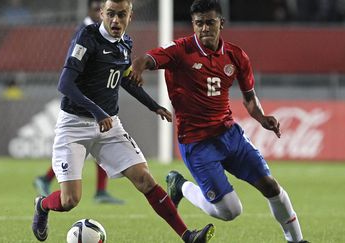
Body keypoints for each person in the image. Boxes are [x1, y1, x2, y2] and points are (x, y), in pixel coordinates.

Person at [31, 0, 215, 242]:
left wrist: (154, 106)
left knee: (145, 179)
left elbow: (125, 79)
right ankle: (42, 205)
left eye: (121, 15)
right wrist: (98, 112)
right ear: (101, 14)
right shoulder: (86, 37)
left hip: (109, 127)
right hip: (74, 125)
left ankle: (187, 235)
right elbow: (65, 84)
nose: (116, 21)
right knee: (69, 201)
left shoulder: (126, 43)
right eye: (110, 15)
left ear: (131, 16)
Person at [129, 0, 308, 242]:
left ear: (221, 23)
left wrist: (262, 117)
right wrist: (138, 66)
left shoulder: (236, 56)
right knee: (231, 211)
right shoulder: (180, 50)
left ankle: (296, 240)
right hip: (197, 144)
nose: (204, 28)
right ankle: (180, 185)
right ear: (193, 25)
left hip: (229, 135)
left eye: (210, 22)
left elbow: (249, 99)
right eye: (199, 23)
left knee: (270, 186)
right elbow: (148, 59)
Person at [33, 0, 124, 205]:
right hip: (81, 96)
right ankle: (47, 180)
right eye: (99, 9)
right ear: (95, 10)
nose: (107, 16)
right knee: (83, 144)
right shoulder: (84, 31)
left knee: (99, 138)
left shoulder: (107, 34)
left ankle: (99, 190)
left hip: (99, 97)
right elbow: (73, 67)